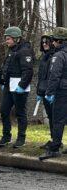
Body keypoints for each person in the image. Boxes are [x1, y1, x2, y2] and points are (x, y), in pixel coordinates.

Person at [0, 26, 34, 148]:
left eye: (8, 39)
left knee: (20, 113)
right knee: (4, 110)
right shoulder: (12, 50)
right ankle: (6, 136)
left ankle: (21, 138)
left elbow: (28, 71)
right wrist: (4, 83)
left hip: (19, 86)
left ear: (16, 39)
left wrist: (22, 86)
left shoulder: (24, 51)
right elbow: (8, 68)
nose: (6, 41)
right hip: (9, 85)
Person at [39, 27, 67, 160]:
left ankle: (55, 148)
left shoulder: (59, 56)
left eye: (54, 40)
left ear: (59, 41)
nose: (53, 43)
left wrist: (49, 93)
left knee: (57, 120)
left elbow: (54, 76)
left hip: (62, 91)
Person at [36, 33, 55, 149]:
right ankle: (53, 139)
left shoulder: (54, 56)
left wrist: (51, 91)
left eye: (47, 42)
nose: (44, 44)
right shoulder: (44, 57)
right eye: (43, 42)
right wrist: (39, 92)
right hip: (44, 91)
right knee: (50, 116)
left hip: (51, 92)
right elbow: (41, 77)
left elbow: (52, 76)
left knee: (55, 118)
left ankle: (56, 141)